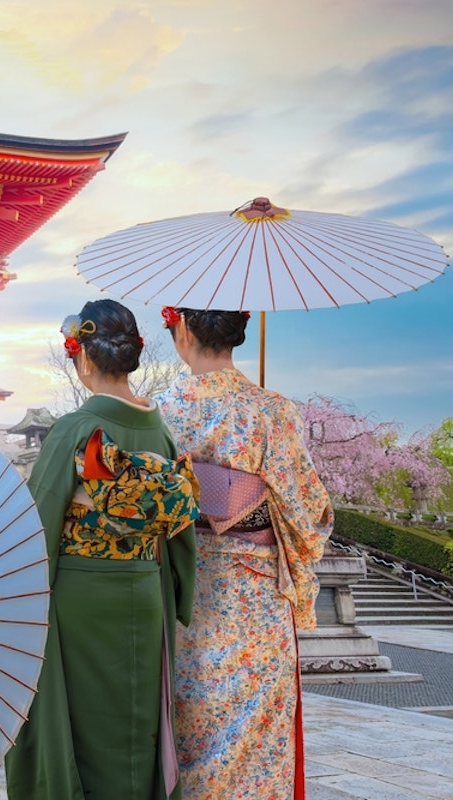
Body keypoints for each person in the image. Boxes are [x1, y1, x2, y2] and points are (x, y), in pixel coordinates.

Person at [5, 298, 199, 800]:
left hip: (79, 600)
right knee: (140, 724)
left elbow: (37, 525)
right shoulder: (162, 434)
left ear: (85, 359)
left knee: (75, 726)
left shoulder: (75, 430)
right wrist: (179, 596)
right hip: (146, 590)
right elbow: (181, 537)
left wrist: (18, 604)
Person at [156, 306, 333, 800]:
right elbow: (311, 514)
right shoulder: (271, 410)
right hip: (253, 599)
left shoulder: (158, 411)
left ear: (184, 330)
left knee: (186, 729)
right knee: (254, 740)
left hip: (183, 596)